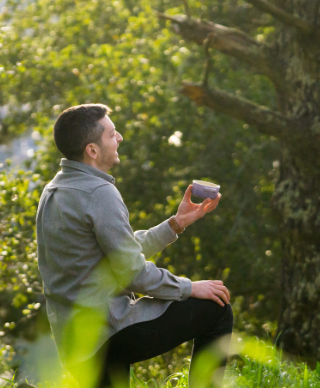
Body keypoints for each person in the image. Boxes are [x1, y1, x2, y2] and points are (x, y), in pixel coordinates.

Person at [36, 103, 233, 388]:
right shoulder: (99, 193)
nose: (120, 138)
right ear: (92, 150)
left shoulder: (54, 189)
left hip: (74, 343)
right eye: (112, 134)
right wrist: (190, 287)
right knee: (216, 308)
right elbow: (134, 273)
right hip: (107, 335)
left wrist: (176, 224)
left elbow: (115, 252)